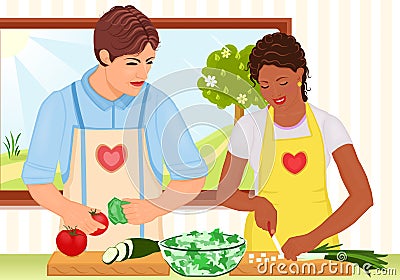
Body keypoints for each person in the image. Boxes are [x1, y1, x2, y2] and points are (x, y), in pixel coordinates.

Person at [21, 5, 207, 250]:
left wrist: (156, 207)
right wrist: (68, 209)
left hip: (145, 247)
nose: (143, 73)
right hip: (78, 245)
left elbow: (192, 177)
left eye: (149, 62)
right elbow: (37, 180)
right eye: (132, 63)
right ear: (105, 56)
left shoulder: (158, 105)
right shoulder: (61, 105)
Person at [217, 32, 373, 260]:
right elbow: (224, 192)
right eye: (265, 86)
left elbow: (362, 197)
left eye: (282, 82)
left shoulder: (327, 125)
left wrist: (312, 239)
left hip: (319, 248)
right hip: (265, 245)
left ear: (299, 74)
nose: (275, 93)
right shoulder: (249, 127)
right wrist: (256, 203)